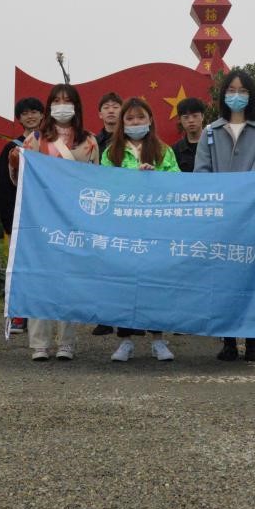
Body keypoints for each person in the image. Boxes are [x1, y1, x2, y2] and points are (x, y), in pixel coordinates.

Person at [9, 84, 100, 361]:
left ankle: (67, 342)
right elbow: (23, 179)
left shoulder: (89, 141)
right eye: (57, 100)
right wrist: (15, 162)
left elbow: (96, 181)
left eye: (67, 100)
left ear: (76, 106)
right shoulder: (35, 140)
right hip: (42, 219)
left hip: (74, 219)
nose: (62, 105)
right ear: (50, 106)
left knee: (69, 279)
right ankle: (39, 342)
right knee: (41, 278)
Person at [195, 71, 255, 362]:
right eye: (231, 89)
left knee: (252, 277)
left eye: (242, 90)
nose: (236, 95)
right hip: (219, 217)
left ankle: (253, 341)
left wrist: (240, 200)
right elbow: (201, 172)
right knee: (222, 279)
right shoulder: (210, 132)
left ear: (251, 95)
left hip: (252, 218)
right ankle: (228, 340)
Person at [101, 97, 179, 362]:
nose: (135, 122)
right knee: (124, 284)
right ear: (122, 123)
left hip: (156, 228)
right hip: (123, 228)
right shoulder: (111, 152)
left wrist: (155, 177)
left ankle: (158, 339)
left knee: (155, 283)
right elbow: (106, 185)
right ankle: (125, 340)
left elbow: (177, 183)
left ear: (150, 120)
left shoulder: (164, 151)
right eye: (130, 118)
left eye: (140, 117)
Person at [0, 96, 44, 335]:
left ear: (42, 115)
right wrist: (7, 221)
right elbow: (3, 187)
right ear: (19, 118)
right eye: (25, 113)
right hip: (19, 218)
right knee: (18, 267)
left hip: (46, 218)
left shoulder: (51, 146)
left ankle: (41, 312)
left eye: (34, 111)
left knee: (42, 267)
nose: (30, 116)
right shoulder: (11, 148)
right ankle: (18, 315)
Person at [90, 90, 125, 335]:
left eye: (116, 106)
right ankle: (104, 316)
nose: (111, 110)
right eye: (107, 106)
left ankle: (126, 319)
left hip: (127, 209)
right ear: (100, 113)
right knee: (102, 264)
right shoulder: (92, 142)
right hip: (101, 208)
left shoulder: (131, 140)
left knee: (124, 265)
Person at [171, 96, 206, 173]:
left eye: (195, 116)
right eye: (186, 117)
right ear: (180, 120)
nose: (191, 120)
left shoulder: (214, 145)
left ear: (202, 116)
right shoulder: (175, 150)